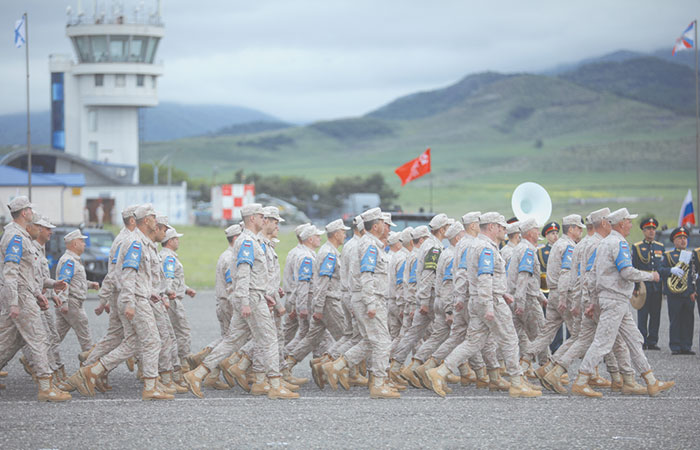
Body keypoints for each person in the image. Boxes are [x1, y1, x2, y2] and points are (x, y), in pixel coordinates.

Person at [183, 203, 298, 399]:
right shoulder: (247, 241)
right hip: (251, 297)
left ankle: (198, 373)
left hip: (253, 295)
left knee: (232, 341)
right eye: (261, 216)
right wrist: (245, 301)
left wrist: (265, 294)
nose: (264, 219)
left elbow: (253, 274)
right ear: (252, 218)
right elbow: (244, 272)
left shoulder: (250, 240)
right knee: (269, 339)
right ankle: (276, 385)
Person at [427, 212, 540, 398]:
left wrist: (464, 298)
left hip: (480, 299)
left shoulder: (475, 245)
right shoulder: (486, 248)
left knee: (473, 342)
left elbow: (468, 274)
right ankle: (517, 382)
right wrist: (488, 305)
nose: (505, 231)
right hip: (490, 301)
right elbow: (485, 277)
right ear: (492, 227)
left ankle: (440, 372)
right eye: (502, 227)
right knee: (510, 339)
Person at [67, 203, 173, 401]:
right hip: (135, 300)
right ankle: (150, 386)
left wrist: (150, 292)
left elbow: (141, 276)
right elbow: (127, 274)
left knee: (133, 342)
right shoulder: (135, 243)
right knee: (152, 341)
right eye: (153, 217)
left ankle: (92, 371)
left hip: (140, 297)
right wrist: (129, 302)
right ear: (146, 220)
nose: (156, 221)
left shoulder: (143, 242)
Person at [574, 208, 674, 397]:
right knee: (603, 343)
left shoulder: (603, 243)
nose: (630, 224)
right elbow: (627, 272)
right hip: (615, 299)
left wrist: (594, 301)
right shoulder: (619, 243)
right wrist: (651, 276)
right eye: (629, 221)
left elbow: (593, 275)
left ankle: (651, 380)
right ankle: (581, 379)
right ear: (621, 223)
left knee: (634, 340)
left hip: (613, 299)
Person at [0, 196, 70, 401]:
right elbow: (11, 272)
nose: (32, 212)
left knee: (9, 342)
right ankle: (46, 387)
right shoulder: (15, 237)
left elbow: (26, 273)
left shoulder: (21, 236)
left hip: (25, 293)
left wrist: (39, 293)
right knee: (38, 338)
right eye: (30, 209)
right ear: (24, 213)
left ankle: (47, 384)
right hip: (19, 295)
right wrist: (14, 301)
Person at [53, 230, 99, 367]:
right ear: (74, 244)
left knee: (55, 337)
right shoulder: (69, 261)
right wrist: (64, 302)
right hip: (72, 303)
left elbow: (75, 280)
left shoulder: (73, 260)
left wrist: (90, 284)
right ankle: (89, 369)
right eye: (82, 241)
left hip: (70, 302)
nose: (84, 244)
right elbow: (64, 282)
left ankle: (35, 359)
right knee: (86, 339)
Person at [659, 226, 696, 355]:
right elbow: (660, 270)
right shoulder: (668, 255)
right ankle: (675, 346)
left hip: (688, 293)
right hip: (674, 293)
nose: (683, 240)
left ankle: (687, 346)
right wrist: (671, 270)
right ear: (674, 240)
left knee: (688, 320)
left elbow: (693, 274)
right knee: (675, 320)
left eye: (685, 238)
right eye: (680, 238)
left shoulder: (692, 255)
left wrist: (693, 291)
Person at [633, 217, 664, 350]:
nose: (651, 231)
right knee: (643, 314)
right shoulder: (637, 247)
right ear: (643, 231)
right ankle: (642, 340)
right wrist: (635, 286)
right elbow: (634, 267)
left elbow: (661, 267)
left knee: (655, 314)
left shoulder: (660, 247)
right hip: (644, 285)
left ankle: (653, 341)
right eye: (648, 229)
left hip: (656, 286)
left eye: (653, 229)